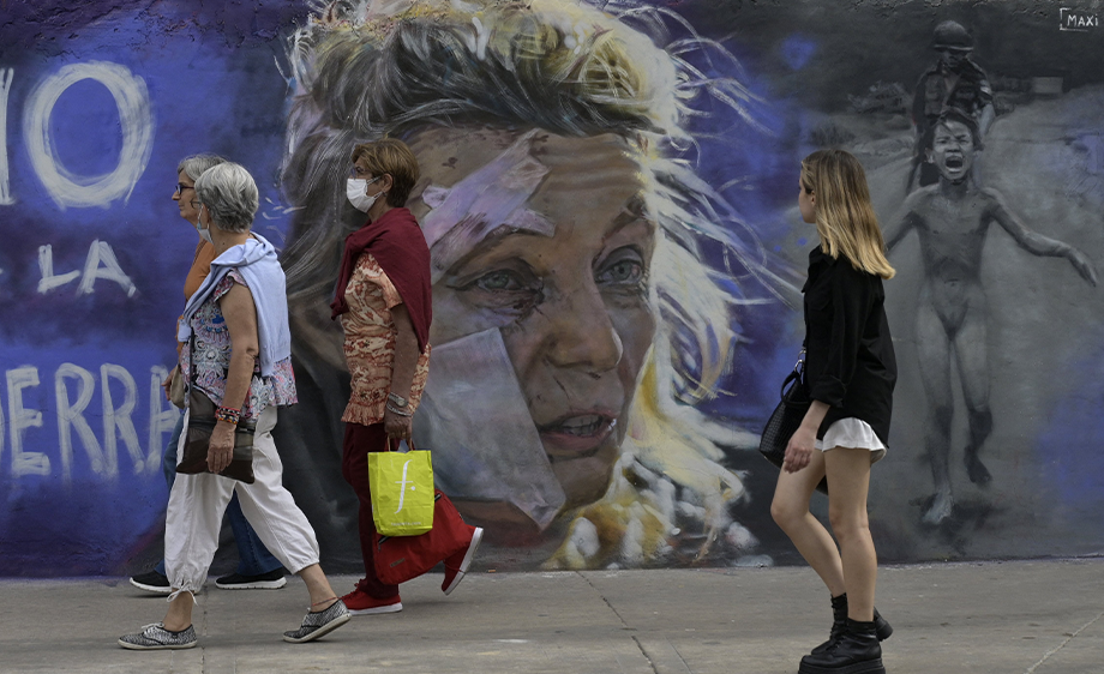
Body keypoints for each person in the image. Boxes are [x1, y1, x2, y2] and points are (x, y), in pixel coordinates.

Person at [277, 0, 775, 571]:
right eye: (502, 278)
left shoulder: (709, 548)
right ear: (333, 320)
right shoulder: (257, 549)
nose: (596, 346)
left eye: (620, 268)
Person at [119, 163, 349, 649]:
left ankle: (178, 620)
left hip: (224, 408)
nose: (189, 206)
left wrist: (224, 423)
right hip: (249, 404)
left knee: (194, 504)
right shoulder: (259, 256)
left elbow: (244, 348)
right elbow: (227, 343)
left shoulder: (233, 275)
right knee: (267, 496)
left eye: (194, 199)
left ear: (208, 209)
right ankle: (323, 597)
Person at [885, 110, 1097, 525]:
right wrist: (834, 268)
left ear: (975, 149)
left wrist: (1070, 251)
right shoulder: (920, 203)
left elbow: (1028, 238)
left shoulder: (988, 201)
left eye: (962, 139)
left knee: (980, 406)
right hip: (931, 309)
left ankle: (971, 451)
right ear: (930, 153)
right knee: (941, 405)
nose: (954, 147)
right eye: (944, 141)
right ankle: (943, 491)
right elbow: (877, 247)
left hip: (971, 310)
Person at [332, 138, 483, 614]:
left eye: (360, 171)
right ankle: (420, 557)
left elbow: (411, 328)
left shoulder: (396, 239)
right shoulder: (377, 235)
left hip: (384, 384)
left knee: (366, 472)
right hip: (369, 381)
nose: (352, 180)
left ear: (383, 183)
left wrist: (398, 402)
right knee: (368, 474)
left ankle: (387, 584)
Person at [129, 153, 289, 594]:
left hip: (223, 388)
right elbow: (202, 316)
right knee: (232, 475)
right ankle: (258, 564)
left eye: (183, 187)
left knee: (197, 470)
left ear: (206, 197)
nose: (175, 195)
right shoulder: (211, 245)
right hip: (208, 379)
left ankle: (179, 573)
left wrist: (227, 417)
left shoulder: (235, 257)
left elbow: (244, 341)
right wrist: (183, 364)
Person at [770, 150, 896, 674]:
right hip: (832, 400)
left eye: (803, 186)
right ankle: (855, 615)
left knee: (849, 521)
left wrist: (807, 425)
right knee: (787, 508)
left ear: (819, 195)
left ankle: (861, 642)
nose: (797, 195)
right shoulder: (828, 258)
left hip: (848, 404)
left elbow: (842, 355)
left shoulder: (846, 267)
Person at [908, 20, 995, 190]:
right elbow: (917, 111)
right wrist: (920, 138)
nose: (954, 56)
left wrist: (979, 137)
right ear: (941, 51)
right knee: (925, 188)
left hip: (961, 139)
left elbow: (988, 107)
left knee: (970, 188)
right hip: (934, 141)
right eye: (950, 52)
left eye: (960, 52)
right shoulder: (929, 77)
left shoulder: (975, 75)